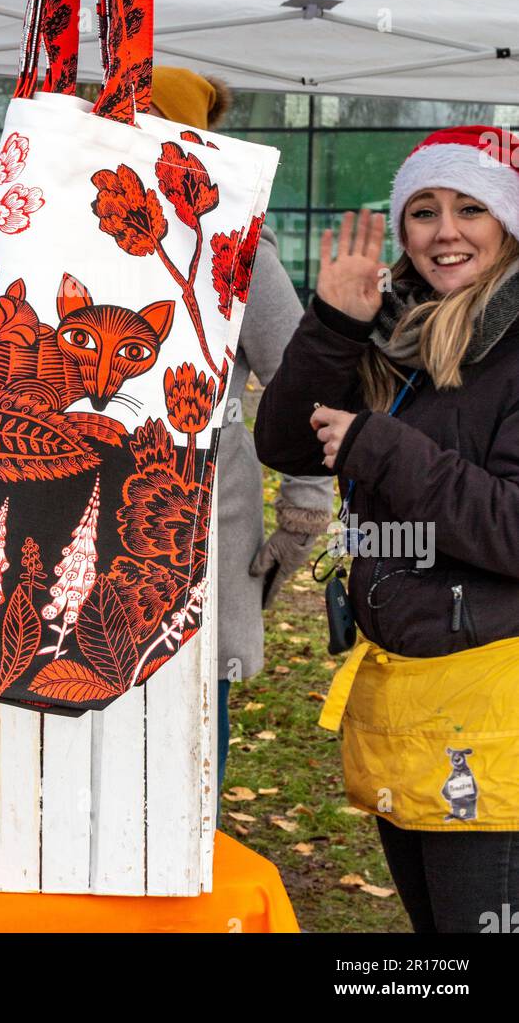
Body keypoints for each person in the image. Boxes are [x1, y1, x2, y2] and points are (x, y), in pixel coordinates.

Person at [254, 124, 519, 933]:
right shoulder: (400, 329)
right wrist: (335, 325)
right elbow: (288, 442)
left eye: (471, 208)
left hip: (495, 712)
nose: (445, 232)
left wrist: (385, 448)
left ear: (508, 223)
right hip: (410, 698)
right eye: (424, 211)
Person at [149, 67, 334, 800]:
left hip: (202, 526)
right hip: (84, 521)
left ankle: (190, 874)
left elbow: (306, 380)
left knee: (194, 713)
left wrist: (305, 506)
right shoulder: (84, 234)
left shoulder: (237, 247)